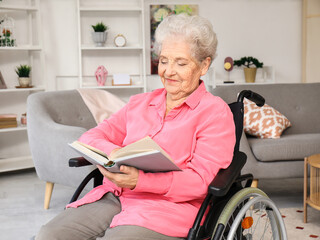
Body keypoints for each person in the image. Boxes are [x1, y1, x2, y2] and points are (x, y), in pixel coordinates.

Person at [36, 14, 236, 240]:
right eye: (163, 60)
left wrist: (142, 180)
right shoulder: (140, 103)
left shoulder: (215, 113)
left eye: (180, 63)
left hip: (172, 207)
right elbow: (92, 136)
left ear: (204, 65)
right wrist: (114, 155)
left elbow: (201, 181)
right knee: (50, 235)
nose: (168, 71)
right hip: (119, 195)